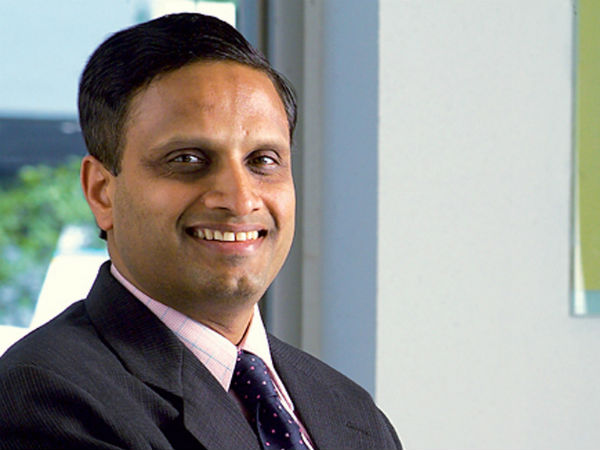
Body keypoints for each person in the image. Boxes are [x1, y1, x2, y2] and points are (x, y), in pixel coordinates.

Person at [0, 13, 401, 450]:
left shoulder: (350, 410)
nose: (240, 199)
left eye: (263, 160)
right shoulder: (44, 400)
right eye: (188, 159)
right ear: (102, 192)